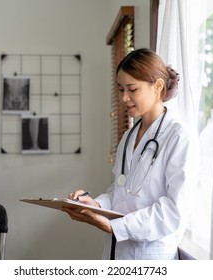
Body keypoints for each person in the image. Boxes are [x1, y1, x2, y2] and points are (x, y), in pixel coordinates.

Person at [63, 48, 196, 260]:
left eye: (132, 89)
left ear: (158, 87)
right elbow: (120, 189)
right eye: (120, 89)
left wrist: (115, 226)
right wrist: (95, 205)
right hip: (118, 252)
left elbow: (173, 211)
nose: (124, 98)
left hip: (151, 256)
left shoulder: (178, 136)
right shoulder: (128, 136)